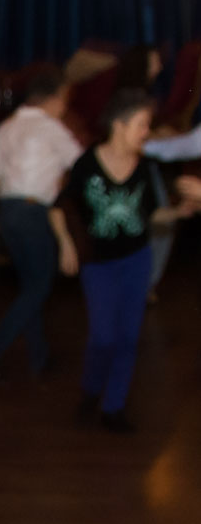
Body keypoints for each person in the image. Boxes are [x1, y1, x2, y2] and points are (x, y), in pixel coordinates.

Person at [52, 88, 201, 432]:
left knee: (129, 337)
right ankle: (91, 390)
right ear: (119, 125)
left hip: (136, 259)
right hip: (98, 264)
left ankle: (114, 406)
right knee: (103, 337)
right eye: (142, 124)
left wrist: (177, 212)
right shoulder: (87, 164)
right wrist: (66, 244)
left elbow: (151, 215)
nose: (147, 132)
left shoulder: (144, 167)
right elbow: (60, 206)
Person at [0, 66, 84, 382]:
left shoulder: (7, 127)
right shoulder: (51, 129)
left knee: (31, 286)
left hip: (9, 209)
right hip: (34, 211)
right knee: (39, 287)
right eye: (64, 99)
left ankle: (39, 357)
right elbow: (81, 165)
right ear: (55, 98)